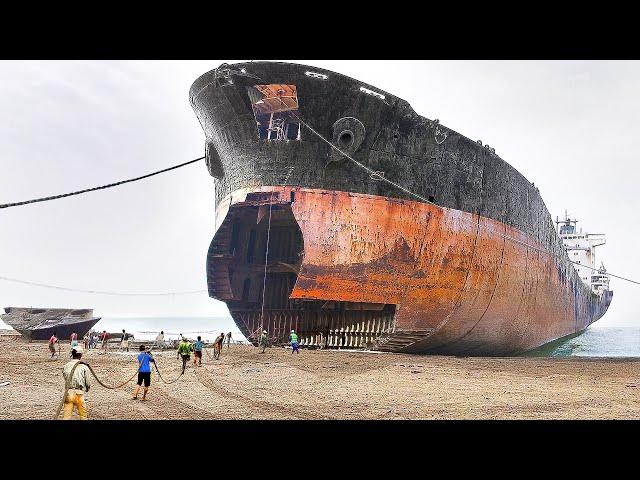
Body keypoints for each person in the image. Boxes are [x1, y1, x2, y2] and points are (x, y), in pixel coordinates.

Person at [61, 346, 91, 420]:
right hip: (79, 394)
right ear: (81, 355)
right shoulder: (84, 367)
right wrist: (87, 389)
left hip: (68, 393)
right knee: (83, 416)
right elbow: (88, 382)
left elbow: (65, 377)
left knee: (66, 417)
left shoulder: (66, 366)